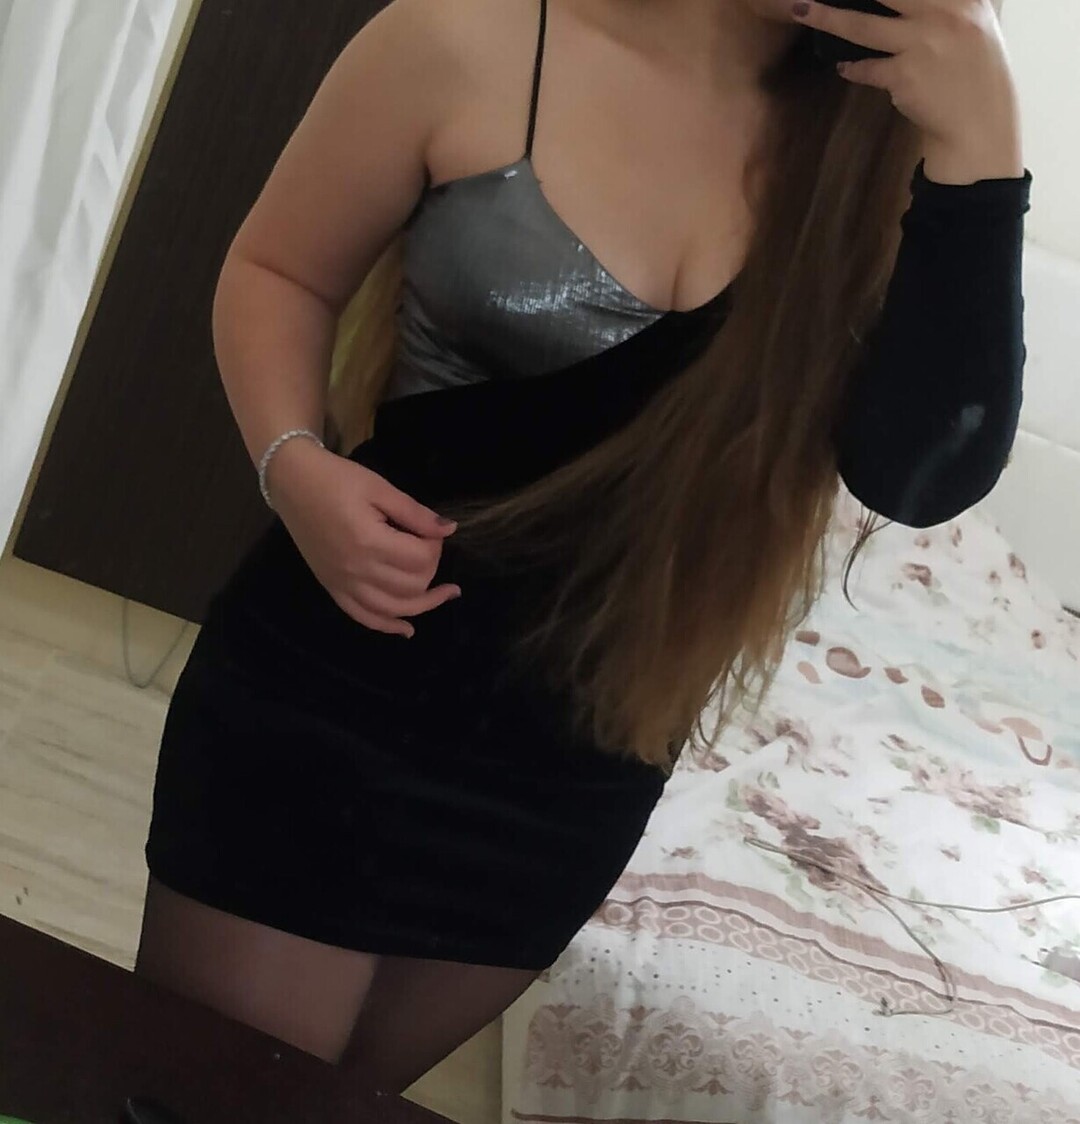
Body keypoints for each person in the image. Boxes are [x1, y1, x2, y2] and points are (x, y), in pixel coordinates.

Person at [135, 0, 1031, 1097]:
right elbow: (279, 269)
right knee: (205, 1100)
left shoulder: (887, 152)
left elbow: (920, 475)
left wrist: (984, 149)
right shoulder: (471, 36)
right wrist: (294, 464)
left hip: (582, 759)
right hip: (336, 688)